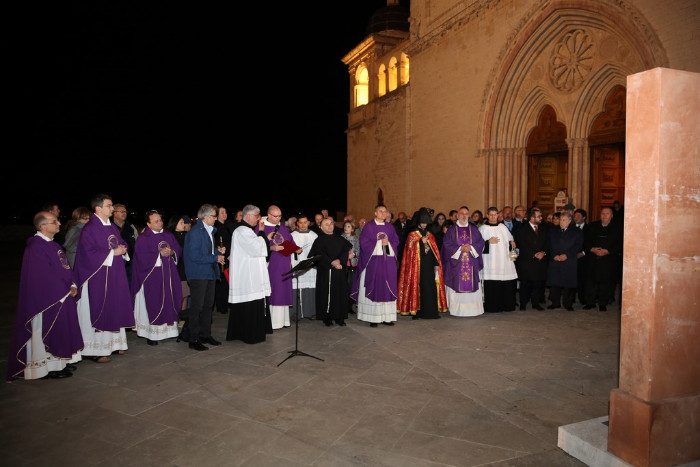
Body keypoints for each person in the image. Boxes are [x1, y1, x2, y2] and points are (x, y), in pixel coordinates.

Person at [6, 211, 84, 381]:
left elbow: (65, 268)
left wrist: (72, 284)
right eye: (54, 221)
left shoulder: (54, 245)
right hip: (47, 300)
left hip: (62, 295)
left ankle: (60, 362)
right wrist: (65, 289)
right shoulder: (36, 247)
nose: (59, 224)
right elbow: (42, 277)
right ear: (43, 226)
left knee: (62, 329)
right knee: (48, 330)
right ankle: (46, 368)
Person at [73, 194, 134, 363]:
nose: (112, 209)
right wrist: (113, 252)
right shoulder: (90, 229)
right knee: (98, 309)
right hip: (97, 277)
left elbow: (121, 242)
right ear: (98, 208)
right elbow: (87, 254)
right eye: (109, 205)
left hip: (114, 275)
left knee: (114, 307)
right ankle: (95, 350)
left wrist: (123, 248)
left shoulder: (111, 227)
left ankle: (113, 344)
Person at [131, 210, 182, 346]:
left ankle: (170, 332)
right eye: (156, 221)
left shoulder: (168, 235)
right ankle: (151, 334)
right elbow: (141, 258)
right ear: (148, 224)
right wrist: (158, 255)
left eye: (160, 220)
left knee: (169, 301)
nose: (160, 223)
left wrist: (172, 252)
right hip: (151, 277)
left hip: (169, 276)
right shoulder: (143, 238)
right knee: (154, 302)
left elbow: (178, 250)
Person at [227, 204, 273, 344]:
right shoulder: (241, 231)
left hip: (252, 276)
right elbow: (256, 248)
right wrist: (263, 235)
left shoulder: (248, 231)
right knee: (249, 305)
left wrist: (261, 234)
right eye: (256, 216)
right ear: (248, 216)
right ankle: (249, 334)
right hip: (247, 278)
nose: (259, 219)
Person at [183, 204, 225, 351]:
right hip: (198, 273)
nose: (216, 218)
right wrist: (215, 258)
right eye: (214, 216)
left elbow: (207, 250)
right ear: (206, 217)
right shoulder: (195, 232)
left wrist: (217, 252)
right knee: (197, 307)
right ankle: (193, 338)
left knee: (208, 305)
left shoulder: (209, 230)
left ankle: (205, 335)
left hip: (209, 272)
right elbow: (194, 255)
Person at [350, 203, 399, 327]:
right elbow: (364, 243)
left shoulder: (390, 227)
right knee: (375, 286)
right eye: (381, 211)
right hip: (373, 263)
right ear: (375, 213)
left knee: (387, 288)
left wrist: (388, 244)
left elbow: (395, 241)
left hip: (387, 263)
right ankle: (373, 318)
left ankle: (387, 317)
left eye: (385, 211)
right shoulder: (369, 227)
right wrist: (379, 243)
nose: (383, 213)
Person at [397, 209, 447, 319]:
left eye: (426, 222)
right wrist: (420, 242)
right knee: (418, 288)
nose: (424, 225)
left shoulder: (430, 235)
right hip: (417, 267)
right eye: (422, 222)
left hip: (429, 266)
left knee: (430, 287)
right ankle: (417, 311)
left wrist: (436, 263)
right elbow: (409, 252)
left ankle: (431, 312)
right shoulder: (412, 235)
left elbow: (435, 252)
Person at [256, 205, 300, 330]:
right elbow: (255, 246)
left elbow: (290, 241)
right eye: (276, 216)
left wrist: (296, 248)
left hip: (285, 264)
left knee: (283, 290)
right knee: (275, 290)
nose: (278, 219)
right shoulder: (261, 227)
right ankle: (273, 322)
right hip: (272, 265)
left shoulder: (283, 227)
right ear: (269, 215)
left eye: (280, 216)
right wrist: (271, 248)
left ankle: (284, 321)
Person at [440, 206, 486, 317]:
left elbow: (481, 242)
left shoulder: (474, 229)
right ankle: (457, 310)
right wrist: (460, 248)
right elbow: (446, 245)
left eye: (466, 213)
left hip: (471, 263)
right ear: (457, 216)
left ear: (468, 215)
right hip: (456, 265)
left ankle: (473, 310)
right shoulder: (451, 230)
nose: (464, 215)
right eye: (462, 213)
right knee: (456, 283)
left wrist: (471, 247)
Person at [309, 217, 354, 326]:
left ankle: (340, 317)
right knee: (326, 294)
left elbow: (345, 252)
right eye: (326, 224)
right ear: (321, 227)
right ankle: (327, 317)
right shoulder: (319, 240)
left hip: (339, 272)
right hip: (325, 272)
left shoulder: (340, 239)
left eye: (331, 223)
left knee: (340, 294)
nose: (330, 226)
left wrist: (339, 260)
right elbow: (318, 255)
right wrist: (331, 262)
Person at [478, 206, 518, 313]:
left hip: (503, 261)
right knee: (492, 286)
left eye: (495, 215)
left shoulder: (503, 227)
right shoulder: (482, 229)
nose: (493, 217)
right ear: (487, 215)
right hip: (490, 262)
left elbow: (510, 238)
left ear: (498, 215)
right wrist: (487, 242)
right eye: (491, 215)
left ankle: (506, 306)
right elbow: (477, 245)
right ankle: (493, 307)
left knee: (505, 283)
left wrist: (512, 242)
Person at [583, 207, 623, 311]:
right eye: (602, 213)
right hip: (593, 258)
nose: (604, 215)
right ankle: (590, 302)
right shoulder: (592, 226)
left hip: (608, 259)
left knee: (606, 283)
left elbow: (620, 243)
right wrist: (592, 249)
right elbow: (585, 240)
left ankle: (603, 303)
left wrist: (608, 251)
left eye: (607, 213)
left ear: (611, 216)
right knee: (591, 282)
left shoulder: (618, 227)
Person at [513, 208, 548, 310]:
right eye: (539, 216)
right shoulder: (522, 229)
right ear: (532, 218)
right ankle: (523, 303)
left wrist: (543, 252)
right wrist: (534, 254)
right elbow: (522, 244)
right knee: (525, 284)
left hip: (540, 261)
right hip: (527, 261)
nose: (541, 218)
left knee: (538, 284)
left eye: (541, 216)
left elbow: (547, 243)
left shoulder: (543, 228)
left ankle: (535, 303)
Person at [546, 211, 583, 311]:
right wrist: (553, 255)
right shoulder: (553, 230)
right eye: (561, 220)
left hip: (569, 260)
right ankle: (555, 303)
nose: (561, 222)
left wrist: (567, 255)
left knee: (568, 283)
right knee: (554, 283)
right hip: (555, 260)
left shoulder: (576, 231)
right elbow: (548, 244)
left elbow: (578, 245)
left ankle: (568, 303)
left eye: (564, 220)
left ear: (570, 221)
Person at [290, 214, 318, 320]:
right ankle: (296, 314)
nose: (303, 225)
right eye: (300, 223)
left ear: (308, 223)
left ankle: (310, 312)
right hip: (297, 265)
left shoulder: (314, 235)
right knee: (297, 288)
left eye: (305, 222)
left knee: (310, 288)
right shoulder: (292, 235)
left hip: (310, 267)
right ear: (297, 223)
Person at [165, 214, 191, 314]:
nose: (184, 224)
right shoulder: (169, 236)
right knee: (177, 295)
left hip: (185, 269)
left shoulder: (187, 235)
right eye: (181, 223)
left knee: (185, 294)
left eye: (184, 223)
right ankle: (175, 315)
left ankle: (182, 315)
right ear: (175, 224)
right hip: (176, 269)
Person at [112, 203, 138, 288]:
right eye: (121, 211)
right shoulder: (109, 227)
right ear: (114, 213)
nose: (124, 213)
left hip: (130, 262)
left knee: (130, 284)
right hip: (115, 262)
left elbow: (137, 241)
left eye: (125, 212)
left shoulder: (130, 226)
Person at [213, 206, 232, 315]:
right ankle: (221, 305)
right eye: (222, 212)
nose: (225, 214)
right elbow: (217, 243)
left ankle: (228, 303)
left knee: (228, 280)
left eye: (225, 212)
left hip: (229, 256)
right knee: (221, 282)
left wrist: (230, 253)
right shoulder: (216, 227)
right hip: (221, 257)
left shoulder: (229, 226)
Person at [341, 219, 360, 313]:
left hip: (353, 265)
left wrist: (354, 254)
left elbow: (359, 250)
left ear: (352, 228)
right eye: (345, 226)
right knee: (343, 286)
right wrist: (345, 256)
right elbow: (338, 251)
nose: (346, 228)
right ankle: (343, 306)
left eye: (348, 226)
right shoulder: (340, 238)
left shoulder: (356, 239)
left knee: (352, 286)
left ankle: (349, 306)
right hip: (343, 265)